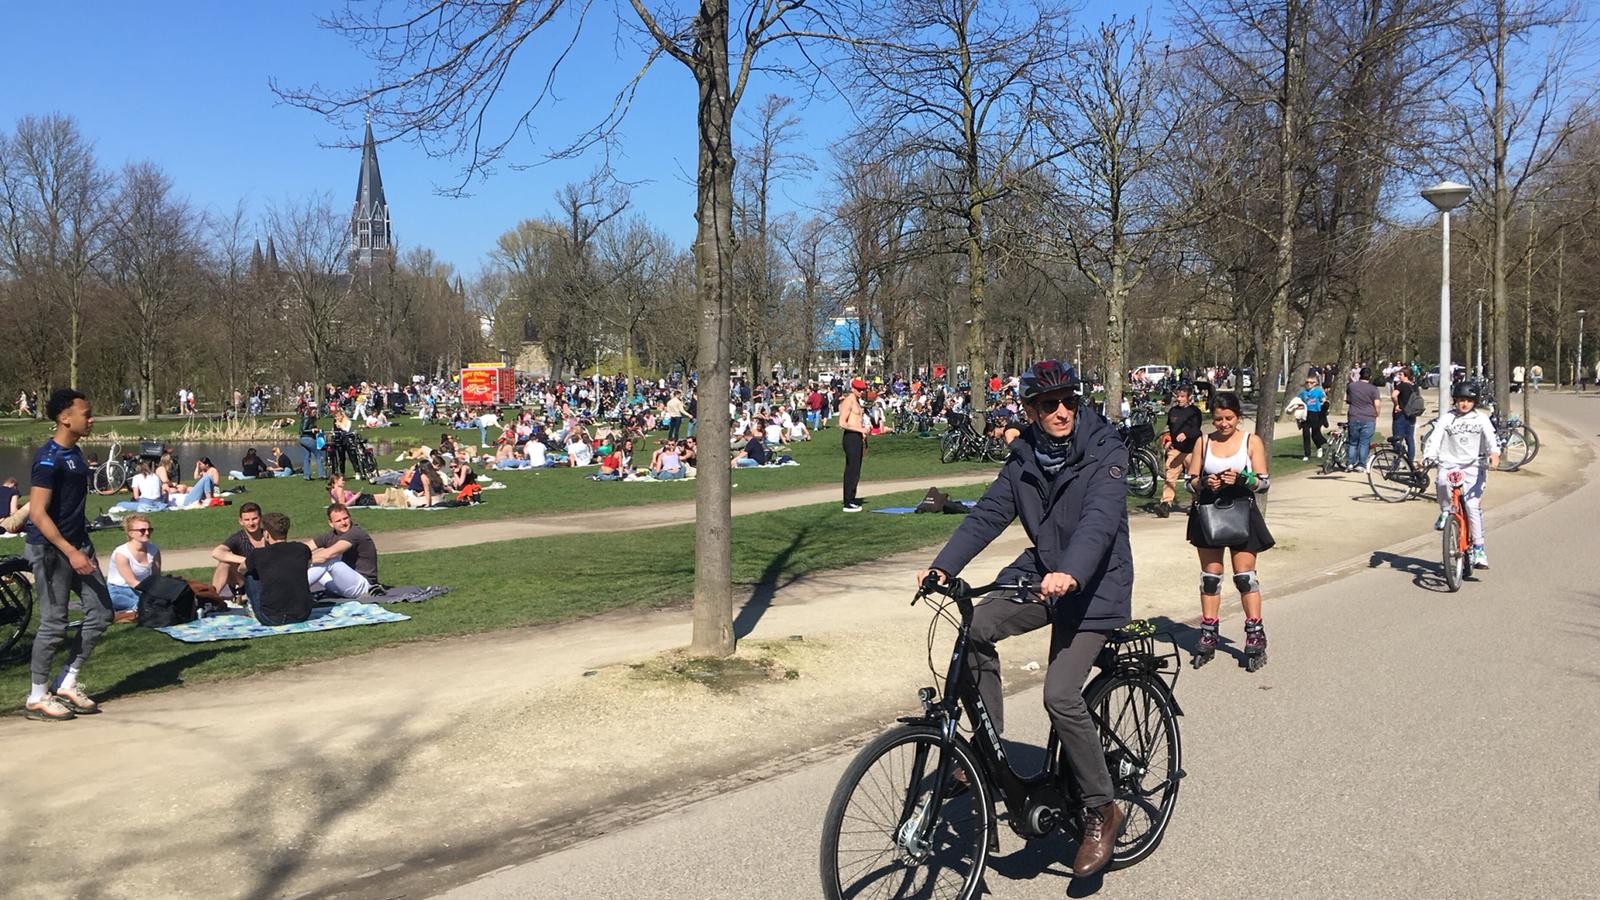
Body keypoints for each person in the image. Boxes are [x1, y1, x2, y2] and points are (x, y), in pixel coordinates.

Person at [918, 359, 1132, 878]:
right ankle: (986, 754)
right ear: (1031, 411)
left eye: (1069, 401)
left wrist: (1071, 573)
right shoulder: (1024, 458)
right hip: (1042, 573)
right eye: (1048, 404)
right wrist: (944, 566)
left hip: (1094, 584)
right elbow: (988, 514)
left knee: (1059, 694)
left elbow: (1099, 522)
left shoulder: (1105, 450)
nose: (1061, 411)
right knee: (974, 628)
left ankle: (1103, 807)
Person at [22, 388, 112, 721]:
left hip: (77, 544)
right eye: (86, 414)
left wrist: (80, 546)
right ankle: (36, 696)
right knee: (54, 623)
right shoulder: (48, 459)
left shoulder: (75, 453)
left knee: (101, 612)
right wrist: (71, 551)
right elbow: (38, 513)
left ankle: (67, 682)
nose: (91, 419)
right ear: (65, 418)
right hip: (51, 549)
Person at [1184, 392, 1275, 665]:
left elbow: (1264, 482)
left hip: (1241, 511)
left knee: (1245, 577)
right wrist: (1204, 483)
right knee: (1210, 578)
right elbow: (1189, 481)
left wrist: (1242, 478)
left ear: (1238, 416)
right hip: (1209, 512)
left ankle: (1255, 633)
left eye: (1229, 418)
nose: (1223, 424)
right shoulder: (1203, 441)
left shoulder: (1250, 441)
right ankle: (1208, 631)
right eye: (1218, 419)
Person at [1423, 381, 1500, 569]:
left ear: (1475, 401)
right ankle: (1445, 511)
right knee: (1442, 482)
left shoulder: (1481, 419)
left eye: (1468, 400)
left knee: (1472, 506)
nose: (1464, 404)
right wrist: (1427, 456)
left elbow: (1491, 437)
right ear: (1455, 400)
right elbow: (1435, 438)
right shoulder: (1447, 418)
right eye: (1460, 400)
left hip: (1473, 465)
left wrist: (1494, 454)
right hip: (1449, 463)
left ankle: (1479, 549)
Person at [243, 512, 314, 625]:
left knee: (250, 573)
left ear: (266, 534)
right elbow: (308, 565)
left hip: (271, 618)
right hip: (303, 614)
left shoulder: (258, 554)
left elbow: (241, 569)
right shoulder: (302, 548)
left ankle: (252, 606)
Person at [307, 502, 379, 595]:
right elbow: (303, 548)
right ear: (331, 523)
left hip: (363, 586)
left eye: (345, 518)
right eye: (338, 521)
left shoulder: (355, 533)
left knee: (328, 560)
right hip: (344, 585)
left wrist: (301, 560)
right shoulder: (330, 535)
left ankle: (293, 589)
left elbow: (328, 554)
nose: (343, 523)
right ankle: (291, 587)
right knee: (313, 560)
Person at [1157, 383, 1202, 518]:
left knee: (1195, 477)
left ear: (1189, 397)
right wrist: (1167, 439)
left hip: (1192, 450)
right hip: (1176, 449)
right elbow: (1168, 428)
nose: (1179, 399)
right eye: (1178, 396)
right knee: (1170, 477)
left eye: (1182, 396)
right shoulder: (1173, 411)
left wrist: (1186, 434)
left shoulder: (1195, 411)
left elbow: (1196, 429)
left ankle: (1197, 503)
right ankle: (1166, 503)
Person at [107, 514, 161, 624]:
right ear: (131, 533)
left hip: (141, 590)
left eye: (149, 530)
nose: (147, 533)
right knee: (145, 607)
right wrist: (150, 595)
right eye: (142, 530)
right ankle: (119, 616)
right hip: (119, 590)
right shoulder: (121, 553)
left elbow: (156, 577)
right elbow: (131, 582)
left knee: (159, 604)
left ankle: (128, 613)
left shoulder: (153, 550)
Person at [210, 502, 270, 596]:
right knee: (224, 563)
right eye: (247, 520)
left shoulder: (269, 535)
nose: (251, 523)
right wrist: (248, 561)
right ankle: (213, 596)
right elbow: (216, 552)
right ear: (241, 521)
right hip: (245, 580)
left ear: (261, 518)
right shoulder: (238, 538)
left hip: (269, 578)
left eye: (254, 519)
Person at [839, 377, 868, 512]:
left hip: (857, 436)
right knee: (852, 469)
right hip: (850, 437)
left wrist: (863, 432)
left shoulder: (857, 402)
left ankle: (852, 498)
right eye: (859, 390)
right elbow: (842, 423)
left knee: (856, 470)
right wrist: (859, 430)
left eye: (862, 390)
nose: (861, 392)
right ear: (852, 389)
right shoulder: (848, 401)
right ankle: (848, 501)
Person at [1344, 367, 1381, 470]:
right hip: (1368, 417)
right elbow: (1377, 404)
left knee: (1353, 442)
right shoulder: (1373, 389)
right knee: (1364, 443)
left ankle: (1350, 463)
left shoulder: (1351, 386)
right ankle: (1361, 464)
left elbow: (1348, 399)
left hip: (1354, 415)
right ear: (1370, 376)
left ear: (1360, 375)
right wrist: (1377, 414)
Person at [1389, 368, 1422, 463]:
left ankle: (1396, 461)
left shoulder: (1401, 385)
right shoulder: (1415, 386)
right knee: (1410, 439)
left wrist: (1396, 404)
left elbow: (1393, 395)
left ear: (1406, 375)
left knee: (1397, 439)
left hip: (1401, 414)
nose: (1398, 376)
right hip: (1411, 415)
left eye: (1400, 374)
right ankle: (1410, 462)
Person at [1295, 375, 1328, 461]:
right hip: (1306, 415)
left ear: (1314, 383)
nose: (1308, 384)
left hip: (1315, 414)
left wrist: (1324, 403)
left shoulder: (1318, 391)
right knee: (1305, 434)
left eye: (1311, 382)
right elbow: (1297, 401)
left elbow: (1323, 399)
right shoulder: (1303, 393)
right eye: (1307, 382)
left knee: (1315, 434)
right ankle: (1307, 454)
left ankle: (1319, 447)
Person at [299, 407, 326, 480]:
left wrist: (318, 430)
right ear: (310, 412)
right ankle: (321, 475)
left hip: (303, 439)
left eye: (315, 412)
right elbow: (303, 430)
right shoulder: (307, 418)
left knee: (307, 456)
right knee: (318, 455)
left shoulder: (312, 419)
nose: (315, 413)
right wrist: (312, 430)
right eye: (313, 412)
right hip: (307, 439)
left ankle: (306, 476)